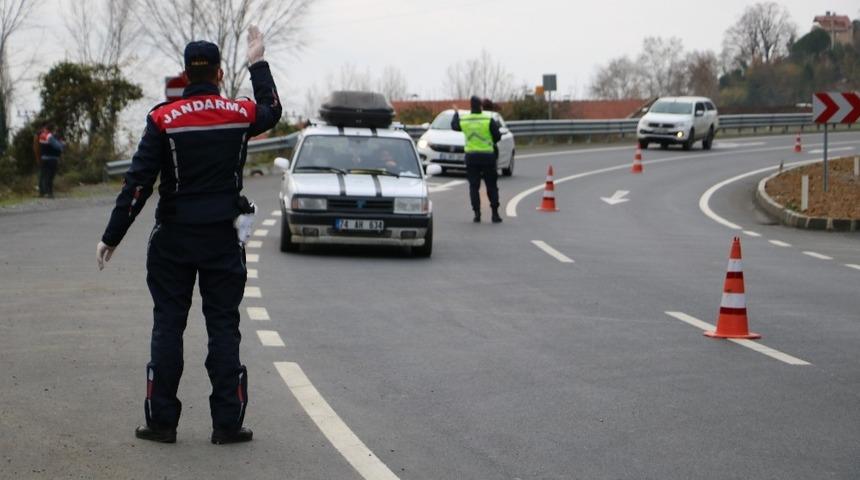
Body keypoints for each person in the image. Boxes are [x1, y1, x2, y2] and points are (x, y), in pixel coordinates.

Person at [95, 26, 281, 445]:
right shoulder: (239, 114)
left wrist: (112, 235)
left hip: (173, 240)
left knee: (168, 326)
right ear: (218, 73)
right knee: (223, 327)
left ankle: (161, 423)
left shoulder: (162, 119)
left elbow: (138, 183)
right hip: (221, 238)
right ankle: (227, 424)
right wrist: (257, 62)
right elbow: (272, 108)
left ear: (184, 73)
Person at [452, 96, 503, 223]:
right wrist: (490, 142)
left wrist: (456, 113)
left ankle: (477, 214)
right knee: (491, 186)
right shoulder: (487, 119)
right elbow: (497, 136)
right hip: (487, 156)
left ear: (470, 106)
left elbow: (454, 126)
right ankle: (495, 214)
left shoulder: (465, 120)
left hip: (471, 157)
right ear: (480, 106)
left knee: (474, 186)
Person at [36, 124, 64, 198]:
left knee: (43, 175)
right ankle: (49, 193)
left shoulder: (42, 135)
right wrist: (61, 143)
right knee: (50, 176)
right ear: (52, 129)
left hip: (44, 158)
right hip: (51, 158)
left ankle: (41, 192)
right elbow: (58, 147)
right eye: (55, 129)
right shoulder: (49, 136)